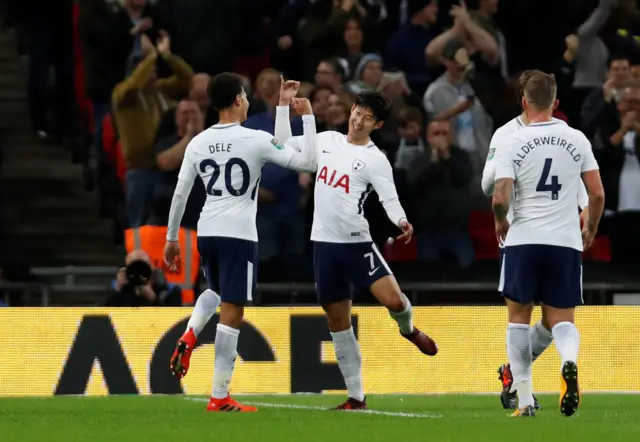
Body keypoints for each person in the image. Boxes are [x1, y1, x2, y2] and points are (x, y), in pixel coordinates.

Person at [163, 73, 317, 413]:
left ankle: (190, 333)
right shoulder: (254, 140)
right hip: (239, 233)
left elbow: (180, 193)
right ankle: (219, 396)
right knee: (233, 310)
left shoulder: (198, 142)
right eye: (245, 96)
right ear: (236, 100)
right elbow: (306, 161)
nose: (248, 101)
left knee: (215, 290)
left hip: (208, 229)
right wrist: (306, 117)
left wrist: (172, 238)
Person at [275, 90, 438, 411]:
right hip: (324, 245)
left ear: (376, 125)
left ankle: (408, 330)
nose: (358, 120)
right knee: (338, 322)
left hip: (356, 244)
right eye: (357, 112)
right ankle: (356, 397)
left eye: (367, 117)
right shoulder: (325, 140)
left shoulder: (376, 159)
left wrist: (401, 220)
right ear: (351, 110)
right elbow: (281, 146)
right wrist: (283, 108)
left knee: (393, 300)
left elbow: (389, 198)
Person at [491, 72, 605, 417]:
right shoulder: (578, 139)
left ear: (524, 102)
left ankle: (525, 400)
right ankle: (568, 362)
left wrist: (500, 218)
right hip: (565, 240)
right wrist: (591, 227)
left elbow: (500, 195)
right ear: (556, 103)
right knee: (561, 319)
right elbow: (597, 193)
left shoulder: (513, 139)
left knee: (518, 319)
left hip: (524, 239)